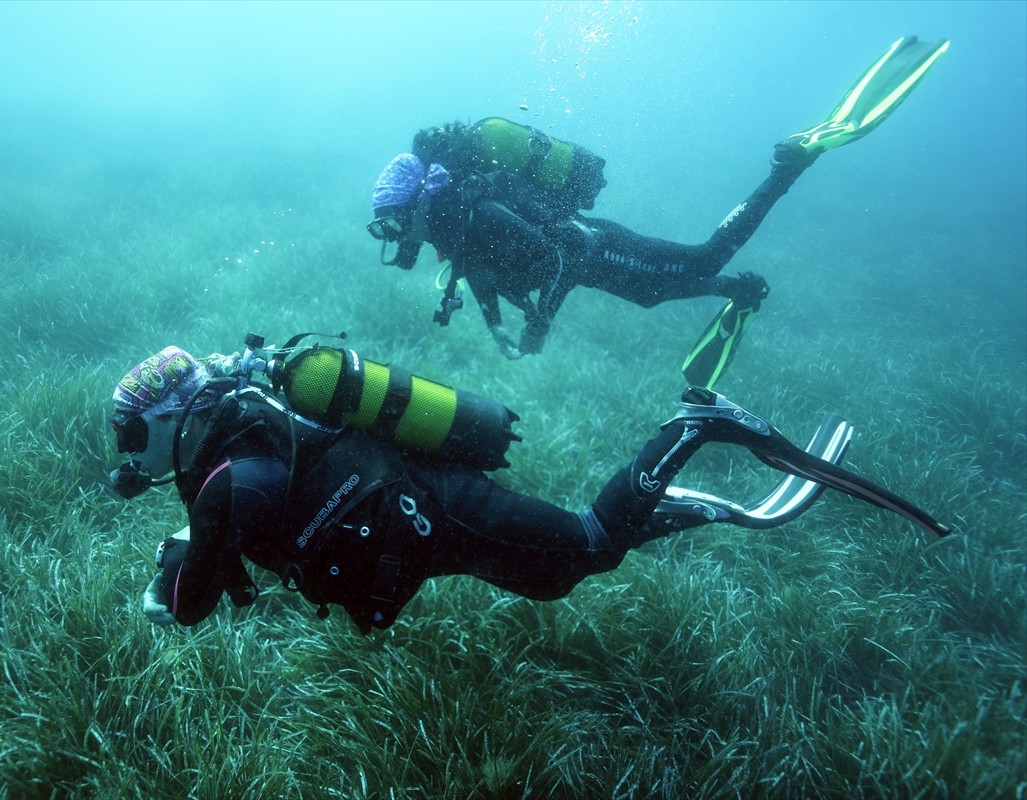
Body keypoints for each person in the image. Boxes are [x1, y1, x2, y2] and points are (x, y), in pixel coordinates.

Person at [108, 342, 949, 634]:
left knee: (584, 549)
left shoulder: (223, 481)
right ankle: (679, 506)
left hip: (433, 508)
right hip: (416, 512)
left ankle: (699, 424)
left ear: (173, 418)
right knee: (554, 578)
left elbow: (184, 609)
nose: (125, 451)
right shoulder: (242, 436)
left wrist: (172, 567)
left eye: (128, 432)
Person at [365, 36, 950, 384]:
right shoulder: (461, 230)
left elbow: (564, 252)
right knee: (657, 291)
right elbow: (488, 282)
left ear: (417, 203)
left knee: (704, 258)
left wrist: (543, 314)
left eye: (392, 221)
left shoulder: (478, 217)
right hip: (595, 257)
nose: (395, 236)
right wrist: (506, 332)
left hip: (596, 246)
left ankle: (789, 168)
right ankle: (734, 287)